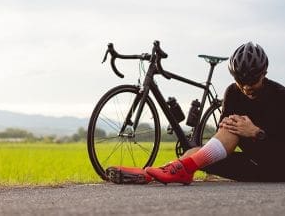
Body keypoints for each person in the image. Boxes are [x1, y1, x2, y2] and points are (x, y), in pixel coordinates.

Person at [106, 42, 285, 184]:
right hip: (251, 167)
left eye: (252, 81)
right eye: (240, 80)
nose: (246, 87)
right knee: (197, 150)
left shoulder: (280, 96)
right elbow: (223, 139)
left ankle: (175, 170)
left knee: (231, 129)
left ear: (264, 73)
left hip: (278, 168)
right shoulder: (232, 92)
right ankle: (151, 175)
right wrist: (233, 128)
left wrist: (256, 133)